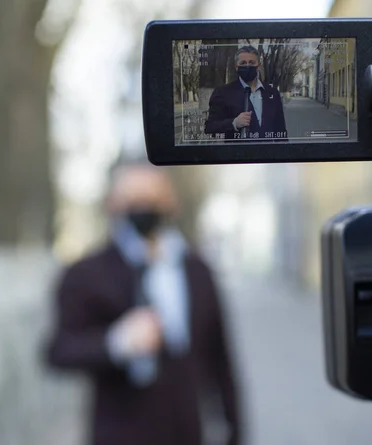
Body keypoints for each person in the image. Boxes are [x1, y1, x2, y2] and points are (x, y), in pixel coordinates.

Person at [46, 161, 242, 445]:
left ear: (171, 203)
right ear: (113, 204)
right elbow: (59, 350)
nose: (144, 209)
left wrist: (234, 428)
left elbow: (221, 359)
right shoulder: (87, 274)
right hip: (118, 432)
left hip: (187, 431)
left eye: (152, 199)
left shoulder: (198, 271)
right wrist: (116, 342)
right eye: (133, 200)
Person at [204, 46, 287, 141]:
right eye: (243, 63)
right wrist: (233, 123)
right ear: (236, 67)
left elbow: (281, 131)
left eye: (252, 63)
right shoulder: (223, 93)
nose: (247, 66)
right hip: (237, 154)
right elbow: (210, 127)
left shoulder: (272, 93)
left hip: (269, 154)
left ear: (258, 66)